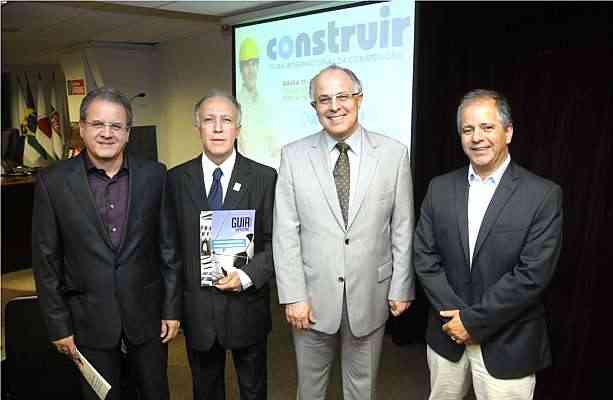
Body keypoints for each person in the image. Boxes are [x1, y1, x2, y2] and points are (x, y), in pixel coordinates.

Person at [273, 64, 415, 400]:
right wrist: (293, 295)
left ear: (359, 98)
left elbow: (403, 226)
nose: (334, 106)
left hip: (371, 294)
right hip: (311, 299)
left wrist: (401, 286)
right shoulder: (293, 156)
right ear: (314, 108)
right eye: (324, 99)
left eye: (342, 96)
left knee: (361, 390)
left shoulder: (394, 154)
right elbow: (285, 231)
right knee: (310, 390)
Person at [413, 89, 563, 399]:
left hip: (508, 341)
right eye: (468, 130)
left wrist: (472, 322)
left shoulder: (543, 195)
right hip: (446, 335)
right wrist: (455, 319)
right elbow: (424, 257)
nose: (477, 137)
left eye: (487, 127)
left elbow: (531, 275)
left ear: (508, 132)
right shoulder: (439, 188)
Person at [32, 87, 181, 400]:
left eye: (116, 126)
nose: (107, 133)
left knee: (155, 393)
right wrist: (58, 325)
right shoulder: (53, 182)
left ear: (128, 133)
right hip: (88, 322)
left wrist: (171, 309)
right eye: (98, 124)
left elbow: (168, 249)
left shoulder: (155, 175)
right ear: (82, 128)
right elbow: (46, 261)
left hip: (147, 319)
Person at [167, 90, 277, 400]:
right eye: (209, 120)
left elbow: (276, 242)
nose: (217, 128)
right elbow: (170, 249)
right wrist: (171, 308)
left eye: (226, 120)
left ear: (238, 129)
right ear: (198, 127)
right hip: (198, 309)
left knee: (253, 390)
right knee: (205, 390)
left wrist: (245, 276)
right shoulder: (175, 180)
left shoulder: (264, 178)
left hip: (247, 306)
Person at [236, 37, 280, 168]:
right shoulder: (235, 105)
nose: (251, 70)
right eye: (246, 65)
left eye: (254, 64)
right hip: (246, 173)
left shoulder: (266, 105)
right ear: (241, 69)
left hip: (269, 172)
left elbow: (274, 145)